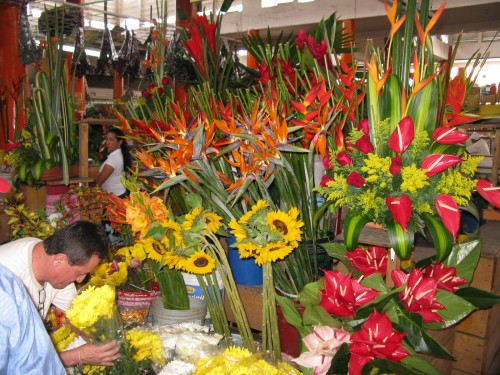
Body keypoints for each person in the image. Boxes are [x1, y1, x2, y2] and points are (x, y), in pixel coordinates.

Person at [0, 221, 121, 368]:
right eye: (79, 273)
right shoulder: (7, 280)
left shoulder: (49, 257)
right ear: (60, 259)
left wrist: (105, 345)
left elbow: (76, 317)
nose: (80, 280)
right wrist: (77, 356)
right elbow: (12, 363)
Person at [0, 263, 66, 374]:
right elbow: (31, 363)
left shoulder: (6, 281)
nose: (80, 279)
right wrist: (78, 355)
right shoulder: (6, 283)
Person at [96, 126, 132, 198]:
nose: (107, 142)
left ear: (120, 142)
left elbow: (100, 181)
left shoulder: (114, 157)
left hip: (115, 196)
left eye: (111, 140)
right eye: (107, 139)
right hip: (118, 194)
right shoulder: (120, 154)